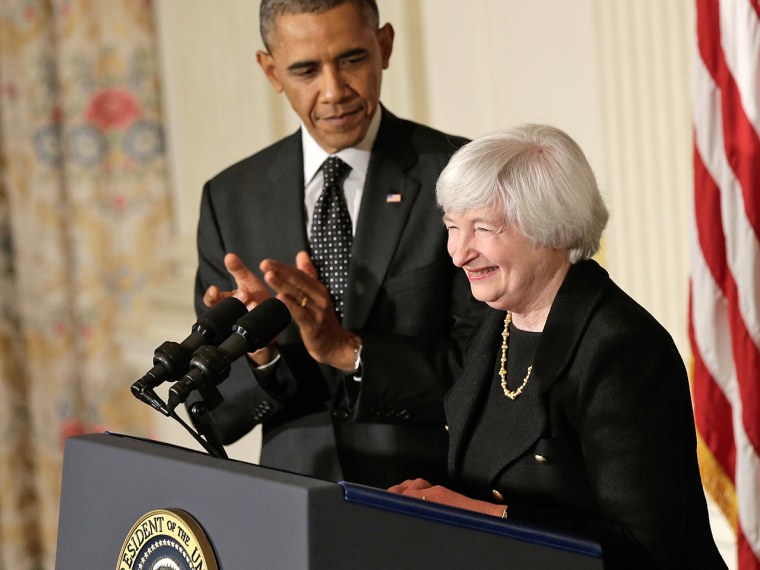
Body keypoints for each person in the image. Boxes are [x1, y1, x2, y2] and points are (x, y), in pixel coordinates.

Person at [388, 124, 727, 569]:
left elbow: (642, 547)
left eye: (483, 228)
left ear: (551, 229)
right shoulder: (497, 324)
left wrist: (473, 513)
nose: (458, 252)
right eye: (453, 226)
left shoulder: (622, 351)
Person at [191, 0, 483, 488]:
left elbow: (489, 373)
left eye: (351, 60)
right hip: (296, 502)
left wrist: (350, 350)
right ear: (271, 71)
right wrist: (261, 356)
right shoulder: (229, 198)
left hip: (430, 496)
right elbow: (216, 412)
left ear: (384, 46)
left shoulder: (458, 174)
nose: (334, 91)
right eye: (305, 69)